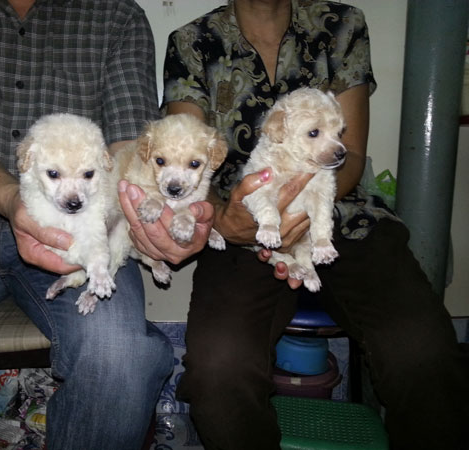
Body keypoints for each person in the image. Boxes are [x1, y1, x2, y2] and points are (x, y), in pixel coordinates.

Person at [119, 0, 469, 449]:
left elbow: (350, 156)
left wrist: (303, 215)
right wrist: (226, 220)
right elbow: (184, 150)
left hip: (341, 214)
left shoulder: (341, 25)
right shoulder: (192, 41)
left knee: (426, 355)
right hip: (243, 224)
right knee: (218, 376)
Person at [0, 1, 213, 449]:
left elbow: (129, 146)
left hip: (87, 220)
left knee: (120, 358)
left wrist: (154, 210)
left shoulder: (116, 14)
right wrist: (11, 198)